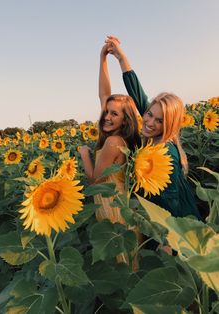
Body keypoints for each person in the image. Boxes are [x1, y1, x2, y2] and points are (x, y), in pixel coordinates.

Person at [104, 35, 201, 221]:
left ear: (169, 125)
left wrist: (166, 242)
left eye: (159, 120)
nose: (149, 122)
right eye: (149, 114)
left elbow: (170, 202)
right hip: (155, 212)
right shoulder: (153, 132)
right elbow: (137, 92)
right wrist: (120, 56)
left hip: (176, 222)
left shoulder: (167, 153)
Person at [79, 44, 142, 266]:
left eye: (114, 114)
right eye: (106, 111)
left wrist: (85, 154)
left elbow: (95, 180)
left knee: (122, 271)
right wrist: (103, 59)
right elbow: (104, 94)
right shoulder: (120, 139)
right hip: (118, 209)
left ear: (125, 120)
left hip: (113, 212)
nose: (106, 116)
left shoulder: (114, 142)